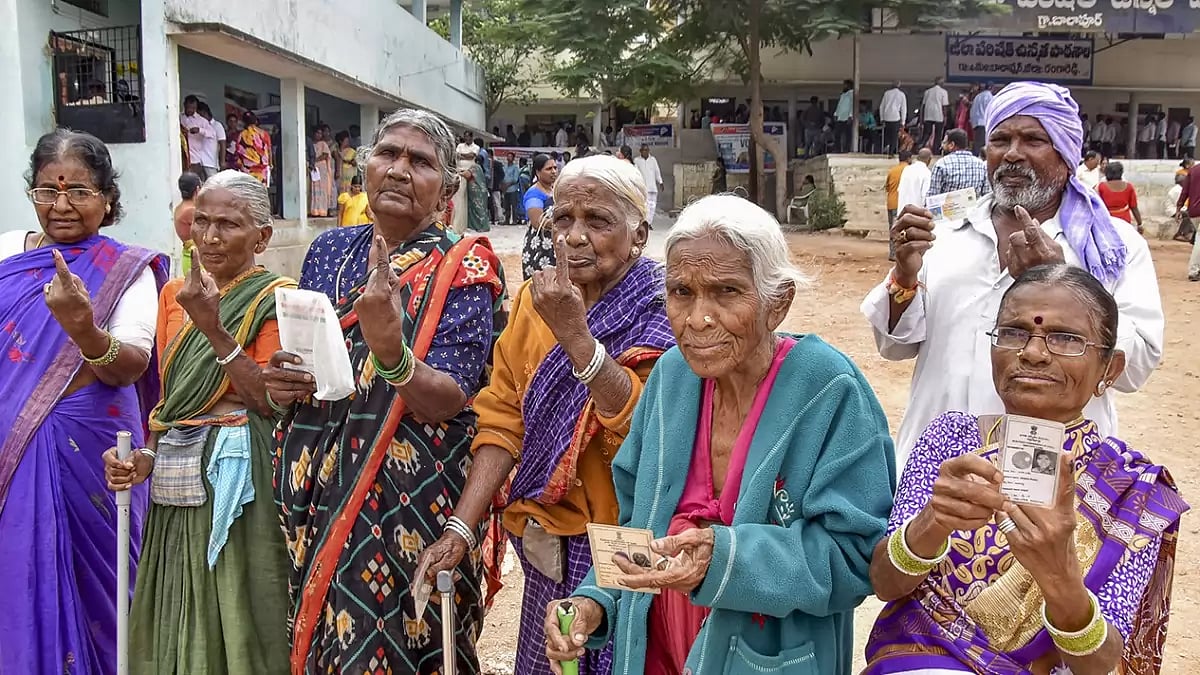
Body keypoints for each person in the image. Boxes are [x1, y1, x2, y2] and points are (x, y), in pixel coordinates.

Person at [544, 194, 896, 675]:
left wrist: (727, 557)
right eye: (681, 292)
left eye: (726, 292)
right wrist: (594, 601)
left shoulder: (829, 389)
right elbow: (637, 524)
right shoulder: (670, 378)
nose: (697, 319)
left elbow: (853, 556)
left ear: (778, 302)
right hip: (656, 654)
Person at [270, 109, 507, 674]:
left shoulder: (464, 265)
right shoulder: (328, 253)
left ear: (448, 187)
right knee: (331, 636)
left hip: (411, 495)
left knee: (415, 639)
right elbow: (312, 363)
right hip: (320, 486)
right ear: (365, 170)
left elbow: (450, 397)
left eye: (419, 161)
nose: (399, 170)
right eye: (388, 155)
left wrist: (392, 352)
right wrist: (285, 380)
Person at [417, 155, 672, 675]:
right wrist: (461, 529)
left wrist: (577, 339)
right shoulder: (538, 301)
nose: (575, 237)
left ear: (639, 233)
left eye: (597, 221)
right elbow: (502, 417)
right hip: (546, 540)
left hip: (632, 541)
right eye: (563, 219)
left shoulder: (664, 306)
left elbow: (652, 433)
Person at [864, 264, 1186, 674]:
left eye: (1065, 339)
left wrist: (1060, 573)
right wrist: (933, 523)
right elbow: (885, 584)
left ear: (1110, 369)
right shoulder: (951, 440)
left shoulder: (1130, 490)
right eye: (1014, 332)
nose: (1032, 353)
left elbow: (1101, 664)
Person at [862, 81, 1164, 468]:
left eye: (1033, 140)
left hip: (1050, 470)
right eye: (1000, 139)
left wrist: (1059, 280)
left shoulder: (1113, 247)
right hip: (937, 469)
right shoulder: (944, 234)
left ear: (1066, 153)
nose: (1013, 155)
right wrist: (903, 277)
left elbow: (1134, 369)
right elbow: (894, 347)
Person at [104, 170, 294, 675]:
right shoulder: (173, 295)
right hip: (174, 477)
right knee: (178, 606)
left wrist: (213, 327)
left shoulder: (276, 297)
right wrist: (145, 456)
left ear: (262, 236)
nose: (209, 237)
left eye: (228, 224)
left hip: (241, 478)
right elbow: (173, 403)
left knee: (238, 604)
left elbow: (268, 400)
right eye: (201, 222)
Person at [0, 129, 169, 675]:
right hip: (8, 438)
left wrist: (83, 329)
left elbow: (131, 364)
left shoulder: (129, 269)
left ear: (108, 198)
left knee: (98, 584)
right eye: (48, 191)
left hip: (88, 449)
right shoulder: (8, 252)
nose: (62, 205)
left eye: (80, 192)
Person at [522, 153, 560, 278]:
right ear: (538, 172)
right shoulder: (534, 194)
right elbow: (537, 222)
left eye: (555, 168)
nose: (554, 171)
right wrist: (561, 225)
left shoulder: (555, 190)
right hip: (540, 247)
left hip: (555, 245)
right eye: (549, 169)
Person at [927, 128, 990, 198]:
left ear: (951, 145)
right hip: (974, 208)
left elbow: (932, 197)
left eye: (945, 143)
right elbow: (986, 195)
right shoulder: (981, 165)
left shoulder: (941, 164)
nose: (942, 146)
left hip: (947, 208)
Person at [1097, 161, 1144, 234]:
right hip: (1124, 220)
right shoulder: (1129, 186)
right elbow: (1134, 207)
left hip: (1107, 220)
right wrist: (1140, 224)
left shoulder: (1101, 186)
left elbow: (1097, 206)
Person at [182, 95, 218, 180]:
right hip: (182, 156)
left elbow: (212, 134)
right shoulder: (179, 117)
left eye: (193, 108)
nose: (190, 110)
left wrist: (200, 130)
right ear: (184, 105)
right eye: (189, 107)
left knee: (193, 182)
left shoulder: (201, 121)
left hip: (195, 159)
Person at [1175, 157, 1200, 280]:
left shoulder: (1193, 170)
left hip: (1194, 211)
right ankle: (1194, 270)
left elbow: (1185, 191)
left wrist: (1179, 207)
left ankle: (1195, 269)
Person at [885, 150, 912, 261]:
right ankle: (903, 253)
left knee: (893, 228)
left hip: (891, 202)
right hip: (904, 203)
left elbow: (887, 187)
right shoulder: (910, 171)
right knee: (905, 230)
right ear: (909, 158)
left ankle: (893, 253)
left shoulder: (892, 171)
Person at [233, 111, 272, 188]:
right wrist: (270, 164)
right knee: (261, 193)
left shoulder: (241, 135)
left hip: (247, 170)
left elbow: (238, 152)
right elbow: (269, 150)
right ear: (255, 120)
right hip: (262, 170)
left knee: (249, 193)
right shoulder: (264, 134)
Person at [175, 171, 202, 275]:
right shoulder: (191, 210)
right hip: (196, 257)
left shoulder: (179, 208)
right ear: (197, 189)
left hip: (189, 254)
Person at [451, 132, 477, 234]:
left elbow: (471, 156)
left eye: (468, 137)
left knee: (465, 200)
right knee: (458, 199)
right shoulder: (460, 146)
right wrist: (464, 156)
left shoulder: (476, 147)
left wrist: (462, 155)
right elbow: (456, 155)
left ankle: (464, 225)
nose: (466, 139)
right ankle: (456, 225)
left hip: (469, 174)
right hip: (459, 173)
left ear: (471, 137)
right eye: (465, 137)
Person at [897, 148, 933, 216]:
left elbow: (899, 190)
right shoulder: (927, 173)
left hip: (902, 213)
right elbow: (925, 196)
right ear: (930, 159)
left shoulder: (907, 169)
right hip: (916, 216)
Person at [309, 127, 336, 217]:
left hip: (322, 169)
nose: (319, 135)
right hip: (313, 169)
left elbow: (325, 155)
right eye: (317, 133)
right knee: (314, 189)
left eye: (320, 133)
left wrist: (314, 160)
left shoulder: (323, 144)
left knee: (323, 189)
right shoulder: (310, 144)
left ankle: (323, 210)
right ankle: (314, 210)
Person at [635, 145, 664, 222]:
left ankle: (649, 222)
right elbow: (636, 173)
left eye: (647, 150)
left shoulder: (653, 160)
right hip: (643, 187)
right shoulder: (637, 160)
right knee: (644, 206)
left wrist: (660, 182)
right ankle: (645, 221)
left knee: (652, 206)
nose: (645, 152)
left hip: (652, 187)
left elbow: (657, 171)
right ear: (640, 151)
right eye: (644, 150)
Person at [921, 77, 949, 151]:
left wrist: (922, 118)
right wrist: (945, 117)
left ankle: (920, 147)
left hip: (928, 115)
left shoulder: (927, 91)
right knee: (938, 134)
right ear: (942, 83)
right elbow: (944, 106)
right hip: (938, 115)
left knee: (926, 133)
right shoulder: (943, 92)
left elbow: (923, 106)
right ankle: (936, 150)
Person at [198, 102, 227, 171]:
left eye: (199, 115)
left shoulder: (217, 125)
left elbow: (222, 144)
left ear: (204, 113)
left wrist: (222, 161)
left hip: (211, 163)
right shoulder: (199, 126)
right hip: (199, 162)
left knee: (212, 181)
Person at [881, 81, 908, 156]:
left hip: (887, 117)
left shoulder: (887, 93)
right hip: (896, 117)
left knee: (887, 134)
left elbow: (882, 106)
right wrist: (903, 122)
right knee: (894, 136)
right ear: (899, 86)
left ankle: (887, 146)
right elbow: (903, 109)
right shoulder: (901, 94)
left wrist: (882, 118)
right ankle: (891, 152)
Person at [970, 83, 995, 155]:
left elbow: (972, 110)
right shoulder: (989, 96)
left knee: (977, 141)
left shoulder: (978, 96)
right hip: (984, 122)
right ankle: (976, 158)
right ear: (991, 88)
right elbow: (990, 110)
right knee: (981, 143)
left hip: (977, 122)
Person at [834, 79, 854, 153]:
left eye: (845, 85)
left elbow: (852, 105)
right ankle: (837, 149)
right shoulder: (843, 95)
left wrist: (850, 116)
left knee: (847, 135)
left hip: (847, 117)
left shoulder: (852, 94)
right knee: (837, 134)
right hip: (840, 117)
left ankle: (846, 150)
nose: (844, 86)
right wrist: (836, 114)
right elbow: (839, 106)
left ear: (849, 85)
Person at [502, 153, 523, 225]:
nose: (509, 158)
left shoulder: (515, 168)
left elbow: (515, 179)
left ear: (513, 158)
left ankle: (514, 220)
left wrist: (508, 184)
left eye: (510, 157)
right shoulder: (504, 167)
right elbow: (503, 177)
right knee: (506, 205)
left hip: (513, 189)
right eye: (508, 156)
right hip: (505, 189)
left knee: (514, 206)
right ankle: (506, 220)